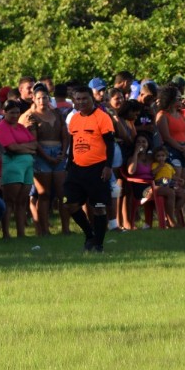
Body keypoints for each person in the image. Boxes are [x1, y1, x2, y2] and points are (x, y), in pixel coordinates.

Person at [62, 87, 116, 252]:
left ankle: (98, 244)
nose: (81, 102)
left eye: (84, 98)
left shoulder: (102, 117)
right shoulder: (74, 119)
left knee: (98, 207)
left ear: (92, 99)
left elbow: (110, 144)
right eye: (78, 99)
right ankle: (89, 234)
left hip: (97, 168)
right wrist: (69, 165)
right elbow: (72, 143)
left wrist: (108, 166)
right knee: (70, 204)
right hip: (77, 169)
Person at [24, 88, 68, 234]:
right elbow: (34, 141)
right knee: (44, 194)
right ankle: (44, 230)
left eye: (45, 98)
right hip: (41, 155)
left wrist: (63, 152)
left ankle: (66, 228)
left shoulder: (57, 113)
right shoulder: (32, 117)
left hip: (58, 152)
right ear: (34, 100)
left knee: (63, 193)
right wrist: (47, 157)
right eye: (39, 98)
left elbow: (65, 135)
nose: (42, 101)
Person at [0, 100, 37, 238]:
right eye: (11, 112)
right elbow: (11, 147)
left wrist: (22, 148)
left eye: (17, 112)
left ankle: (21, 233)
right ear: (4, 112)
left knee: (22, 201)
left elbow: (34, 144)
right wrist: (27, 149)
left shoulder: (20, 127)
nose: (15, 115)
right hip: (11, 165)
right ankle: (6, 233)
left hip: (27, 166)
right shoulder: (1, 127)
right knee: (10, 201)